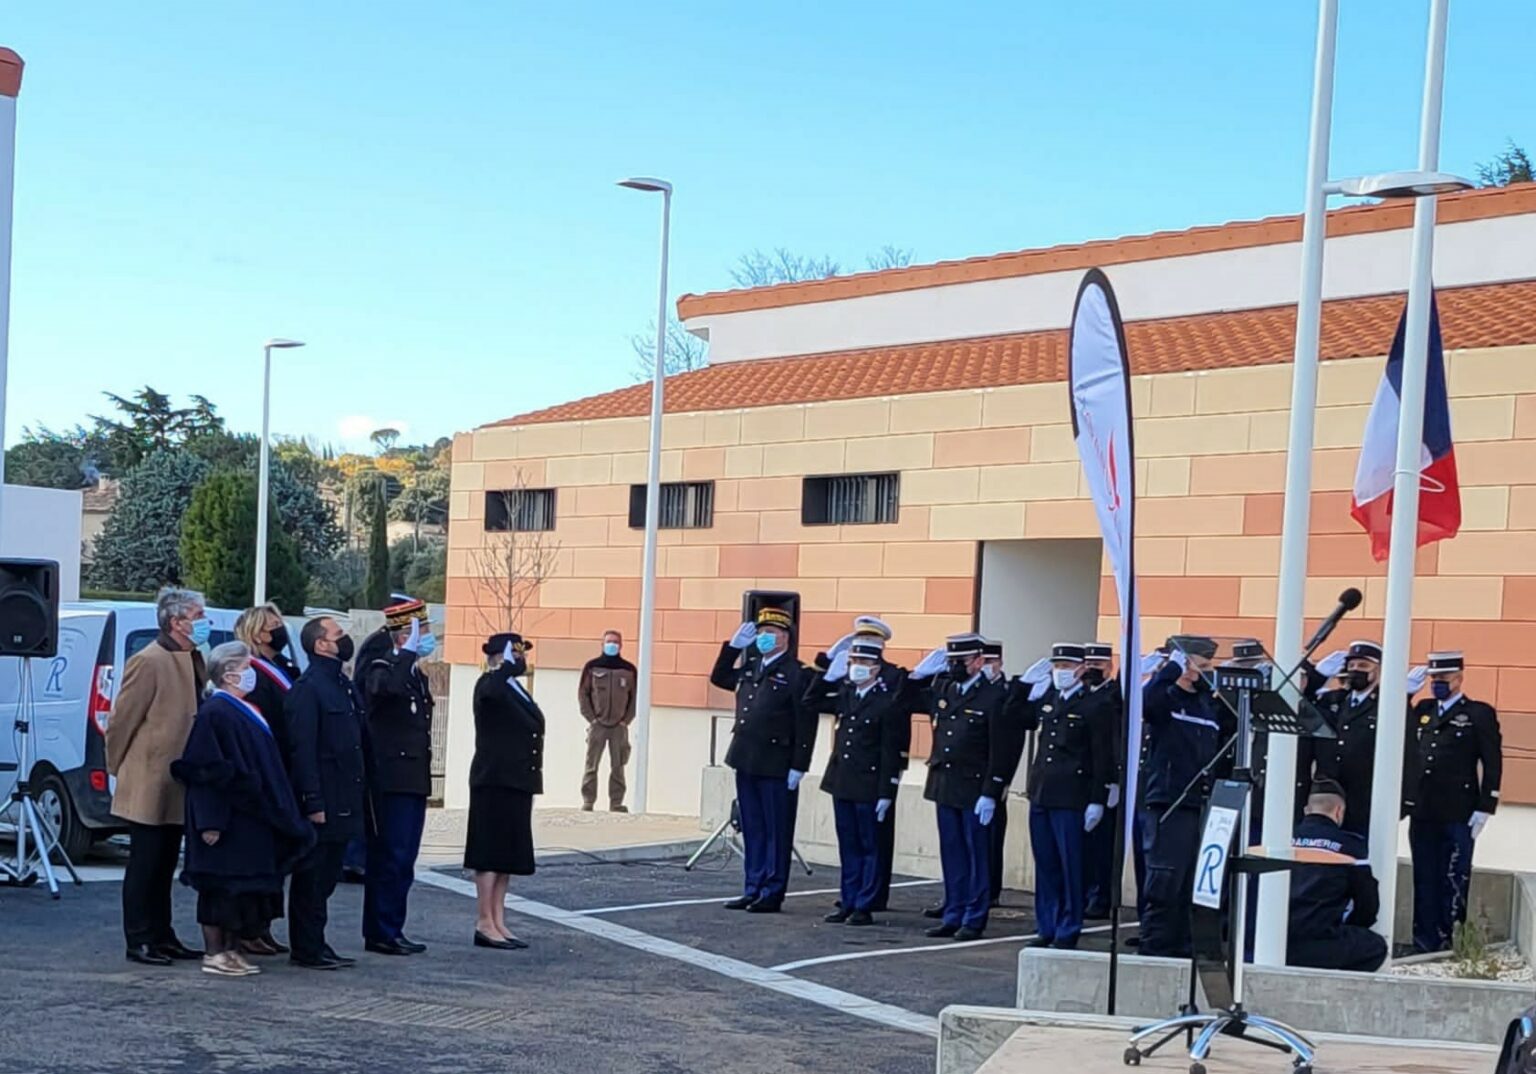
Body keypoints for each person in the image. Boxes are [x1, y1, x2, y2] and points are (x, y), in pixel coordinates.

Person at [171, 642, 314, 978]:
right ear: (229, 673)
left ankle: (232, 949)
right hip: (227, 818)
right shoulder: (215, 713)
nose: (252, 674)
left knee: (240, 891)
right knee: (220, 890)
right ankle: (215, 952)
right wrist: (210, 822)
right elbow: (205, 772)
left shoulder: (245, 710)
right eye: (245, 667)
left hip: (250, 818)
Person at [105, 586, 209, 967]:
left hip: (177, 778)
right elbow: (122, 720)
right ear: (176, 621)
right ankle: (140, 938)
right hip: (149, 776)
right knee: (145, 864)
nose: (204, 623)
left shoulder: (191, 656)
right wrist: (117, 766)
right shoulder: (149, 660)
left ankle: (163, 935)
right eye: (198, 617)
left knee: (166, 862)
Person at [911, 633, 1021, 941]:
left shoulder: (994, 696)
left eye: (960, 661)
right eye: (951, 661)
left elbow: (1001, 749)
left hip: (975, 789)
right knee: (953, 854)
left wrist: (992, 790)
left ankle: (974, 917)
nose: (954, 667)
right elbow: (903, 700)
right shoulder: (944, 689)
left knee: (977, 856)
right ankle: (953, 912)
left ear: (977, 661)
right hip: (945, 783)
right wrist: (917, 676)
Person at [804, 618, 912, 926]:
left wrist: (887, 791)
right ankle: (848, 900)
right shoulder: (846, 693)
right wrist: (826, 670)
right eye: (853, 660)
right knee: (848, 845)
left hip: (869, 782)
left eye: (864, 660)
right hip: (843, 780)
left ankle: (865, 903)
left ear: (877, 665)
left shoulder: (886, 700)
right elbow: (809, 702)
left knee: (870, 846)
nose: (857, 665)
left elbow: (890, 750)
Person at [709, 605, 816, 913]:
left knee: (776, 829)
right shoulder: (750, 666)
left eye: (772, 633)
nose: (765, 638)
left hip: (777, 761)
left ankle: (772, 889)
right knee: (753, 826)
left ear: (785, 637)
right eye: (762, 633)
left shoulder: (797, 674)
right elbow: (719, 677)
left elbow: (805, 723)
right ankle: (752, 886)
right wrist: (732, 649)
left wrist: (800, 764)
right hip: (746, 757)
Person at [1014, 643, 1113, 950]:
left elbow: (1102, 755)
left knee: (1071, 866)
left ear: (1082, 669)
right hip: (1042, 793)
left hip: (1072, 796)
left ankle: (1068, 927)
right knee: (1046, 865)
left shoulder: (1095, 705)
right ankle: (1047, 925)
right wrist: (1021, 687)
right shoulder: (1049, 699)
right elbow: (1013, 717)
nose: (1061, 673)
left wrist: (1098, 798)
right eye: (1057, 667)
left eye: (1067, 667)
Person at [1138, 636, 1231, 959]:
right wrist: (1170, 669)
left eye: (1209, 666)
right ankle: (1156, 946)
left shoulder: (1207, 704)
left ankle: (1186, 945)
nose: (1206, 673)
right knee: (1166, 880)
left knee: (1195, 882)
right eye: (1199, 666)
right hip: (1170, 803)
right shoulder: (1167, 699)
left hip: (1203, 805)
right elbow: (1146, 704)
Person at [1404, 650, 1503, 954]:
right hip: (1424, 807)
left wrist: (1487, 805)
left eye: (1443, 678)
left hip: (1459, 810)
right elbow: (1401, 733)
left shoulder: (1477, 713)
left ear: (1459, 678)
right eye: (1434, 678)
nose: (1437, 683)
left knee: (1453, 878)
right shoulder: (1423, 708)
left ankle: (1449, 941)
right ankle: (1424, 941)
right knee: (1424, 876)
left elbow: (1492, 761)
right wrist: (1403, 696)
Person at [285, 615, 367, 970]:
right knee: (312, 878)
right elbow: (302, 750)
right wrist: (312, 801)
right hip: (325, 799)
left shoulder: (341, 684)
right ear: (321, 644)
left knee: (328, 876)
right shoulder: (309, 688)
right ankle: (306, 947)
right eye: (338, 634)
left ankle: (317, 942)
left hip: (346, 797)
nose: (345, 639)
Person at [356, 598, 437, 955]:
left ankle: (393, 927)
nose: (429, 640)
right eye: (423, 632)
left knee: (404, 860)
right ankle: (380, 931)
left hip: (412, 779)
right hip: (391, 780)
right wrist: (405, 655)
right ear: (405, 635)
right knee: (389, 857)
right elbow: (381, 690)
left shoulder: (413, 672)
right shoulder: (382, 666)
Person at [467, 633, 544, 950]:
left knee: (507, 855)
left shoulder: (515, 688)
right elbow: (491, 695)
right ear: (499, 656)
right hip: (494, 780)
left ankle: (499, 918)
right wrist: (502, 669)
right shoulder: (489, 684)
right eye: (515, 653)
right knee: (490, 852)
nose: (522, 658)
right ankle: (484, 921)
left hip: (517, 780)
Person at [231, 603, 299, 957]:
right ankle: (246, 928)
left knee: (277, 860)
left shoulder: (285, 667)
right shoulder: (252, 672)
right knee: (257, 857)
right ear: (257, 633)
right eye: (273, 625)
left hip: (288, 772)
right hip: (266, 772)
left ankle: (264, 926)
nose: (279, 630)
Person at [1287, 779, 1386, 973]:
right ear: (1339, 811)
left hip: (1268, 939)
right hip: (1317, 942)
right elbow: (1367, 904)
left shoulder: (1280, 839)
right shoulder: (1349, 847)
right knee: (1376, 947)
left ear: (1307, 810)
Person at [1079, 642, 1123, 920]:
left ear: (1109, 667)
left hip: (1104, 780)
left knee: (1102, 846)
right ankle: (1085, 893)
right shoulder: (1080, 695)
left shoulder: (1114, 697)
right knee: (1083, 845)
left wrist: (1114, 781)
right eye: (1089, 666)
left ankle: (1101, 896)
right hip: (1080, 779)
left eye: (1098, 666)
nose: (1093, 671)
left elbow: (1113, 743)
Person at [577, 629, 636, 813]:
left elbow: (634, 698)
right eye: (609, 641)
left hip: (619, 726)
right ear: (602, 644)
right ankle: (588, 801)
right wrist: (592, 719)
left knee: (618, 766)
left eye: (616, 642)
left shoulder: (628, 669)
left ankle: (616, 802)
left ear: (621, 645)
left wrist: (626, 721)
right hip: (598, 725)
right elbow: (583, 694)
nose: (612, 645)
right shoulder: (592, 667)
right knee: (591, 764)